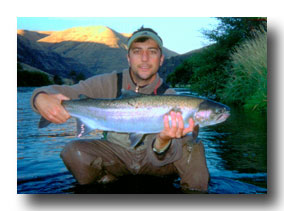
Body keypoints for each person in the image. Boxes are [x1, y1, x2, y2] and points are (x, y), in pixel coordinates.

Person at [31, 27, 209, 192]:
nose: (144, 58)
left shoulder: (171, 97)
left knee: (193, 146)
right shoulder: (105, 82)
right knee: (74, 151)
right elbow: (60, 91)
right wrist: (40, 98)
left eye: (152, 52)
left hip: (154, 162)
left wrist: (163, 141)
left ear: (161, 59)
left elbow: (167, 151)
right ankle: (101, 185)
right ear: (128, 58)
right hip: (115, 155)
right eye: (137, 51)